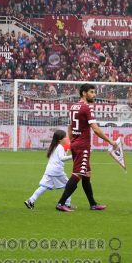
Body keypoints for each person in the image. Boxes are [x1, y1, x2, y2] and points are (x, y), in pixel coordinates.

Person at [56, 84, 118, 212]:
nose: (94, 95)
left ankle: (93, 204)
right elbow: (95, 129)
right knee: (78, 174)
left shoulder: (73, 107)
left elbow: (70, 127)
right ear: (84, 93)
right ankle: (61, 203)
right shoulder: (87, 108)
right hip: (82, 146)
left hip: (75, 144)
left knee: (87, 174)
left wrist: (71, 142)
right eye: (91, 92)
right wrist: (111, 141)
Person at [24, 130, 73, 210]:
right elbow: (62, 158)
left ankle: (30, 200)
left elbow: (59, 157)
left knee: (43, 186)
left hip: (49, 170)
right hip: (57, 171)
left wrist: (66, 152)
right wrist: (73, 156)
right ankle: (67, 204)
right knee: (69, 186)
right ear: (60, 139)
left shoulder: (54, 146)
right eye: (65, 137)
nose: (66, 138)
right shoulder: (60, 147)